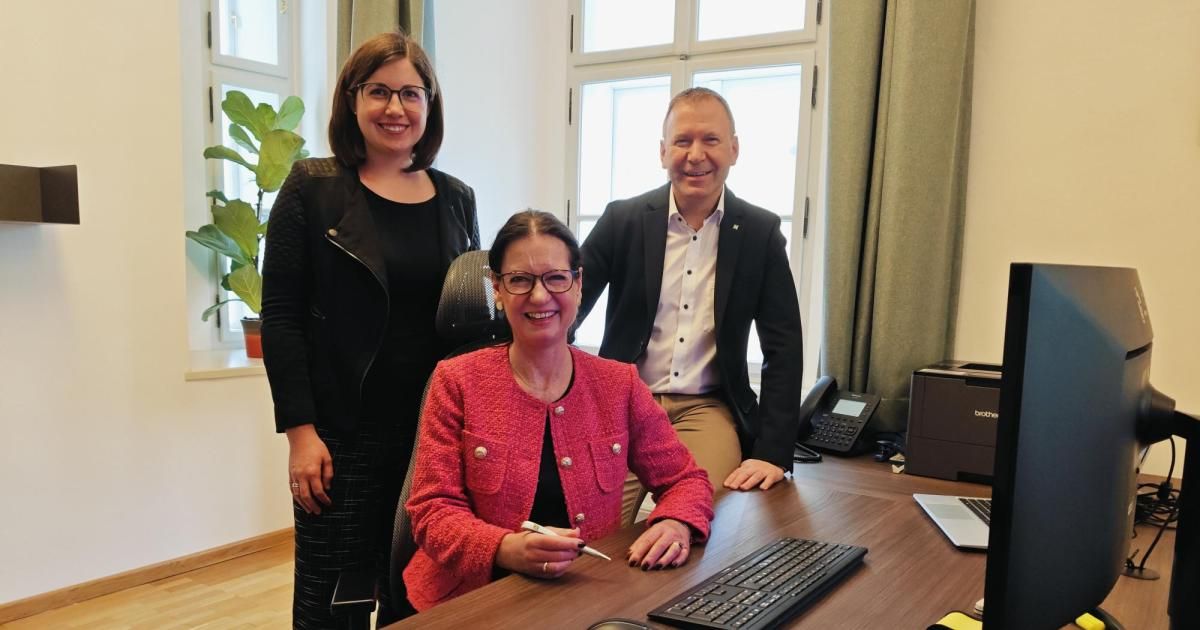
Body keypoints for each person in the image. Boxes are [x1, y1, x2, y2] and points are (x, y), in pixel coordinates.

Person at [260, 31, 479, 628]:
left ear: (429, 104)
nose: (395, 108)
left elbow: (469, 320)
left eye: (411, 93)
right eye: (378, 91)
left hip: (434, 433)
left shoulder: (457, 199)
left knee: (420, 587)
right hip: (342, 434)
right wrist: (300, 433)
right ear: (351, 100)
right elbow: (280, 316)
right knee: (333, 598)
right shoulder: (313, 188)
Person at [403, 211, 714, 612]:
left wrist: (676, 522)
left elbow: (685, 480)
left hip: (583, 597)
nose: (539, 296)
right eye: (519, 280)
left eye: (556, 278)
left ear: (578, 284)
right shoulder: (456, 380)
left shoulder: (619, 384)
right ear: (497, 289)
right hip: (471, 598)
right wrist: (503, 547)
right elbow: (431, 510)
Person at [579, 87, 804, 524]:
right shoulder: (621, 220)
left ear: (734, 149)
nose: (695, 154)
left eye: (711, 140)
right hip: (624, 404)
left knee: (697, 520)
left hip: (707, 410)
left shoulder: (760, 232)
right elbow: (566, 304)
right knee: (592, 529)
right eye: (682, 141)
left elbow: (784, 346)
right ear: (663, 152)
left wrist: (774, 453)